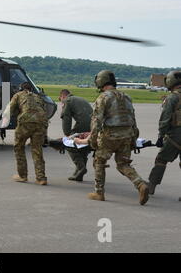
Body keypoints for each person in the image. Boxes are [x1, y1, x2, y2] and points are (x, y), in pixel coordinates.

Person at [88, 70, 149, 205]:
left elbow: (96, 121)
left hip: (109, 136)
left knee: (99, 161)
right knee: (123, 164)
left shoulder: (103, 97)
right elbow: (133, 119)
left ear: (100, 82)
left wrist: (92, 140)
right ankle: (140, 184)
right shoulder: (126, 96)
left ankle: (99, 192)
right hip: (127, 135)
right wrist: (133, 138)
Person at [148, 70, 181, 195]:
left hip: (175, 136)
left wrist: (160, 136)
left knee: (161, 159)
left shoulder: (172, 98)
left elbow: (165, 119)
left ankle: (151, 186)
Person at [10, 82, 49, 185]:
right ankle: (41, 178)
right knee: (37, 150)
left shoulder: (18, 95)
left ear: (20, 89)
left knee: (19, 147)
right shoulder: (38, 97)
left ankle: (22, 176)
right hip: (41, 124)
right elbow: (44, 112)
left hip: (25, 123)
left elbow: (11, 109)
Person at [59, 89, 93, 181]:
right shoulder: (80, 99)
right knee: (83, 147)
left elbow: (66, 118)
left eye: (60, 99)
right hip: (93, 126)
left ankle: (81, 168)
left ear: (62, 96)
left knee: (69, 144)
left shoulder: (67, 101)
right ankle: (79, 174)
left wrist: (67, 134)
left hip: (83, 124)